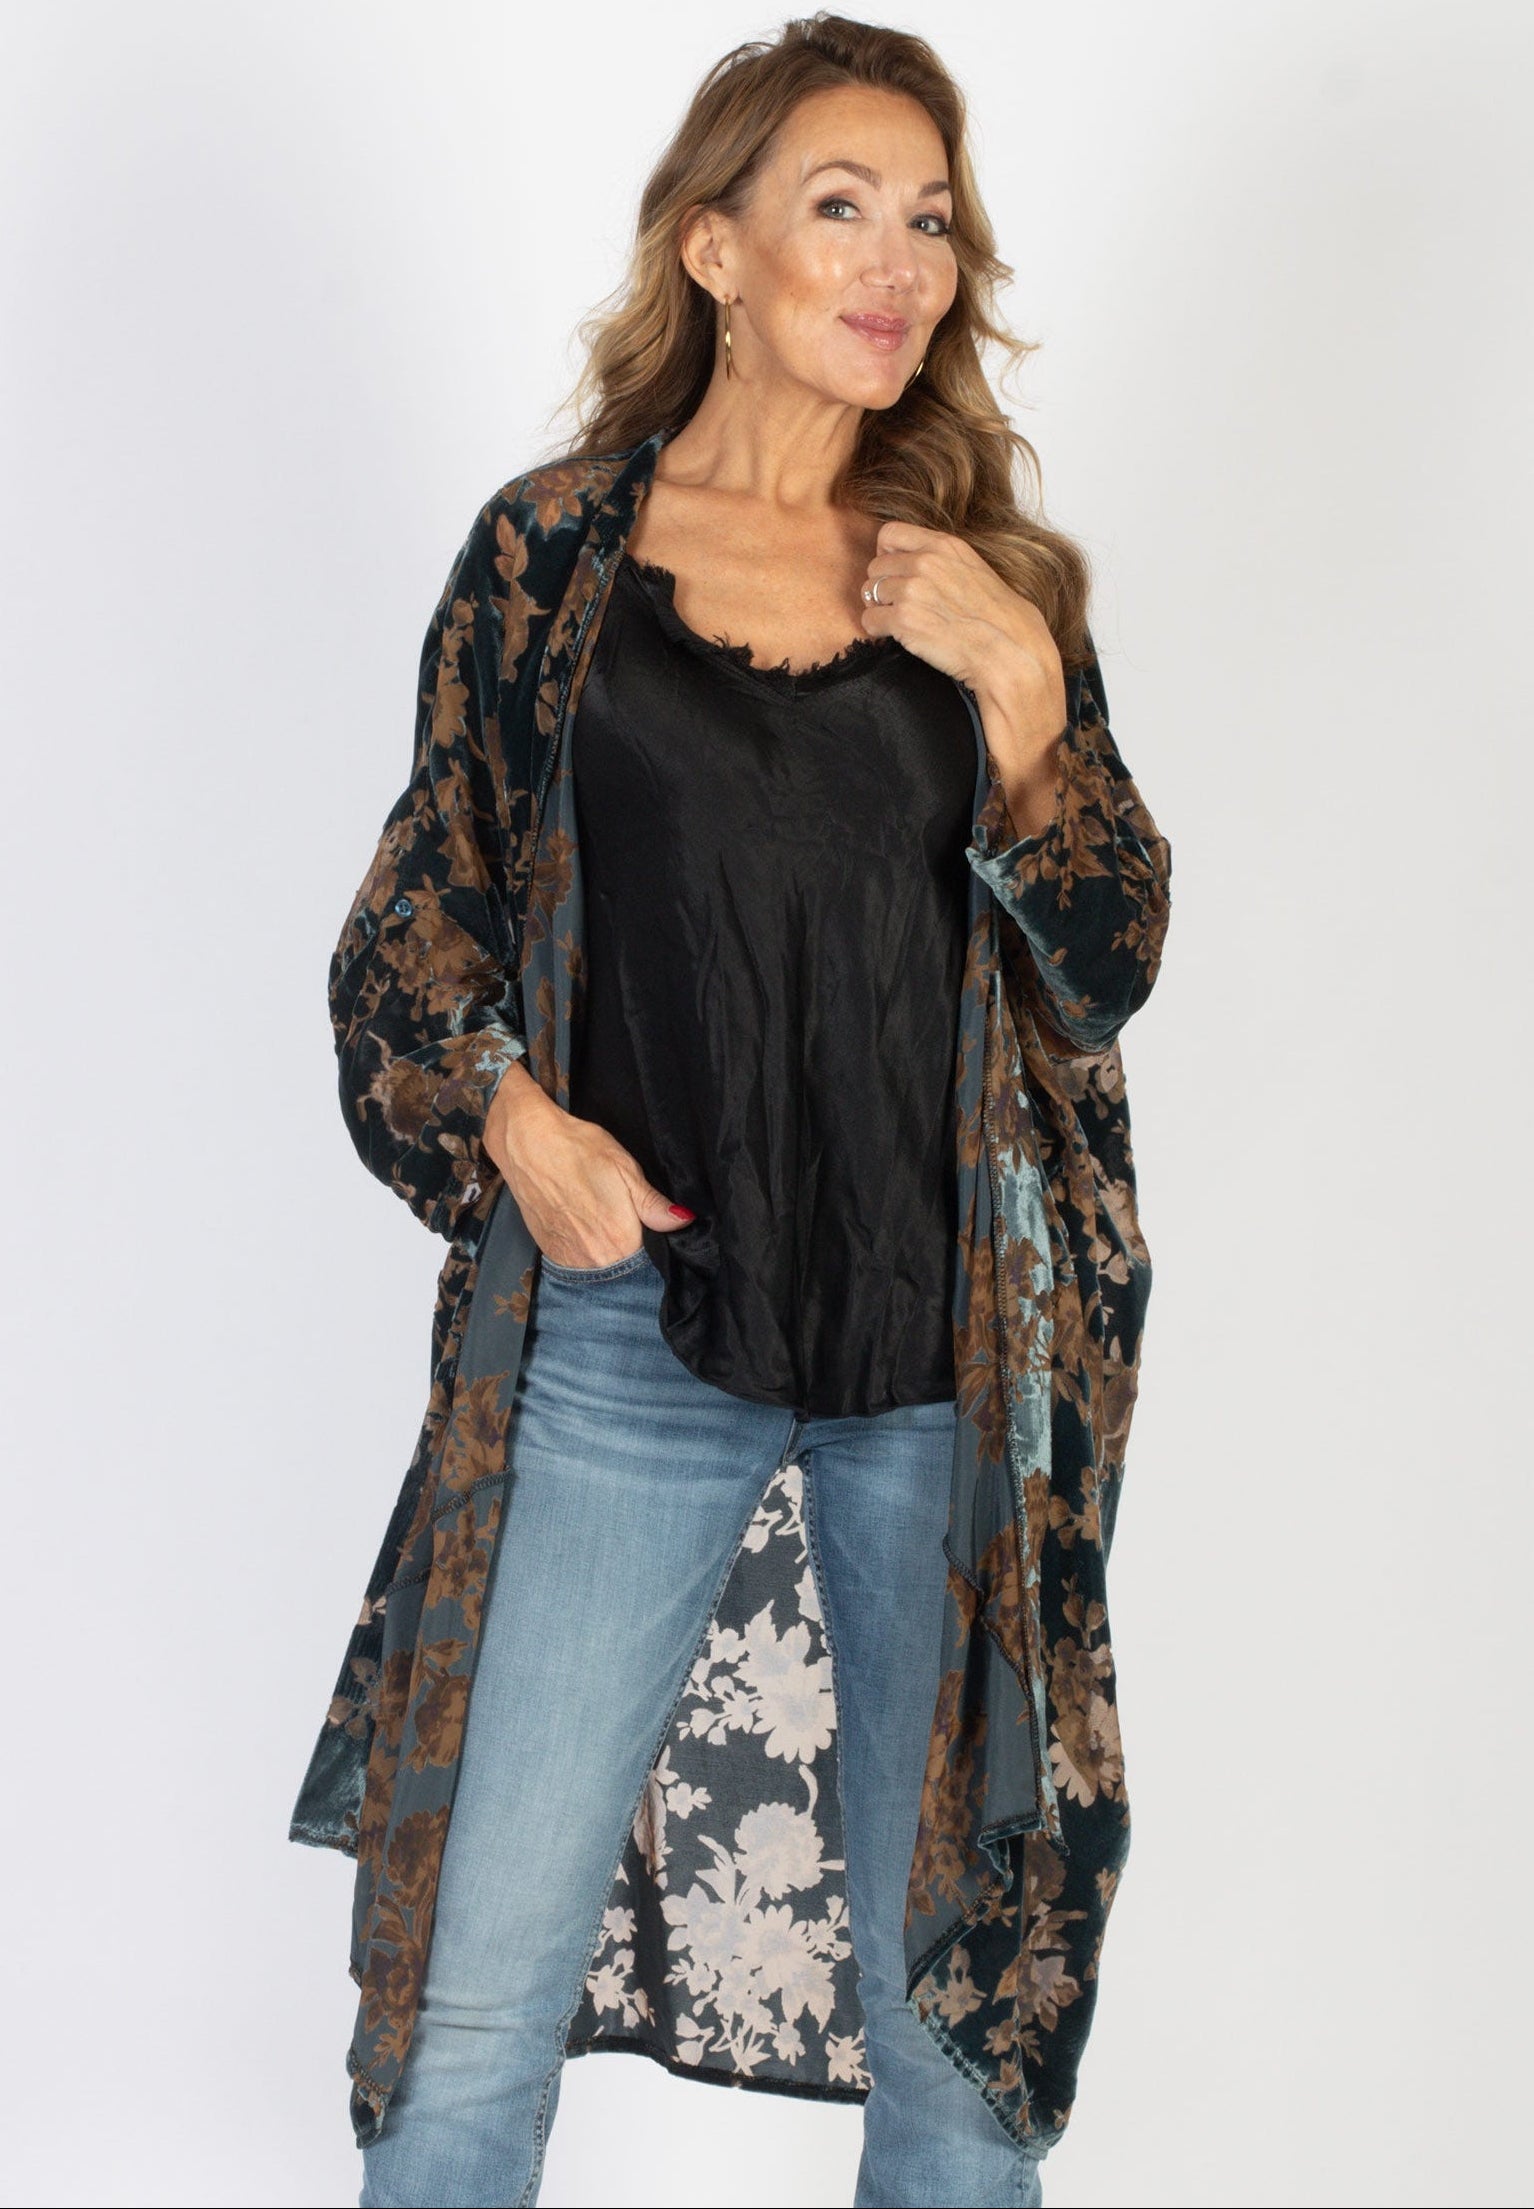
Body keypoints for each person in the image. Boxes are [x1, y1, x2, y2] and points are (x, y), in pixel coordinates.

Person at [289, 15, 1172, 2208]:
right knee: (468, 2006)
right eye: (837, 208)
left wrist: (1026, 699)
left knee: (954, 2027)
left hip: (941, 1361)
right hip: (624, 1336)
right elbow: (416, 916)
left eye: (929, 220)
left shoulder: (984, 584)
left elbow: (1103, 964)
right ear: (712, 246)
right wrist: (514, 1121)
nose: (895, 265)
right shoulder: (552, 562)